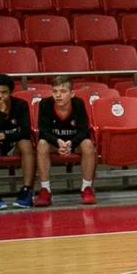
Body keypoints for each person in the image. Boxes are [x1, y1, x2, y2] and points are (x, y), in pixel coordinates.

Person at [33, 76, 97, 206]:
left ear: (72, 93)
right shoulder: (45, 104)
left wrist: (71, 144)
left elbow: (84, 131)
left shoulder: (78, 104)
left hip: (73, 143)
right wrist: (58, 142)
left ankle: (86, 188)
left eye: (63, 91)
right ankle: (45, 190)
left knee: (88, 144)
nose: (58, 95)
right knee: (42, 144)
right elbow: (43, 132)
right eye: (55, 91)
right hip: (55, 143)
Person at [0, 73, 35, 208]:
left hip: (14, 145)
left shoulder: (21, 105)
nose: (0, 96)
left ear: (10, 93)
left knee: (26, 143)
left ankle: (26, 191)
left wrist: (4, 136)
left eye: (4, 92)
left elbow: (25, 132)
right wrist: (1, 112)